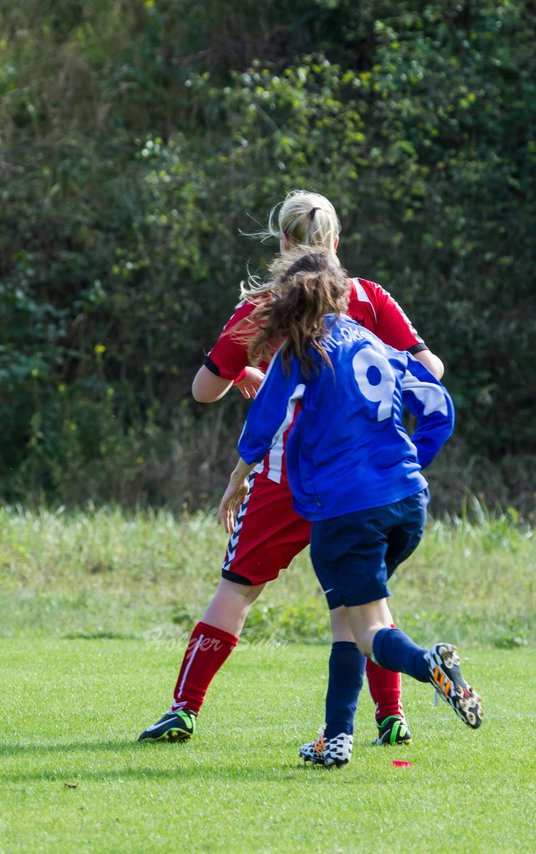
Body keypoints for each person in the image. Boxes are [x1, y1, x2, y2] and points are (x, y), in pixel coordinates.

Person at [139, 190, 446, 745]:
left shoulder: (263, 306)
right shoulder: (369, 299)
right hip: (362, 479)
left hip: (284, 477)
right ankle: (390, 717)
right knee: (363, 599)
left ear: (282, 244)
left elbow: (203, 389)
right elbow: (431, 369)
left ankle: (184, 707)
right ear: (336, 241)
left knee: (237, 589)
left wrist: (255, 381)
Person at [214, 247, 480, 767]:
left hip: (345, 512)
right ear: (341, 294)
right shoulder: (372, 342)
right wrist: (408, 461)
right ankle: (335, 738)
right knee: (348, 617)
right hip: (406, 504)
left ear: (287, 302)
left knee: (369, 630)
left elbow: (263, 421)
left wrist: (236, 479)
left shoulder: (300, 351)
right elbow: (438, 406)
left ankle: (431, 665)